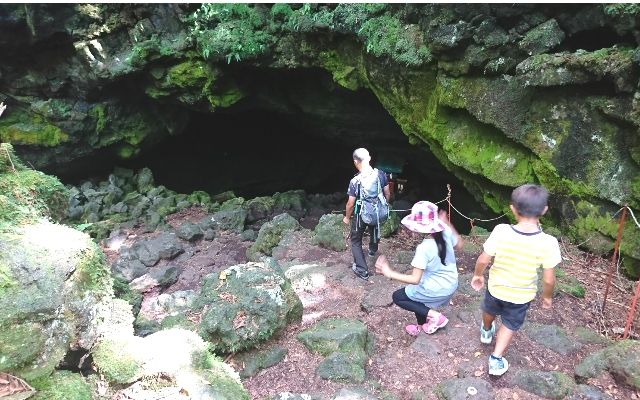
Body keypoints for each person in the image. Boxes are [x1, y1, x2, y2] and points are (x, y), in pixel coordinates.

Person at [471, 184, 561, 376]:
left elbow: (484, 259)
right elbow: (548, 280)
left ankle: (486, 330)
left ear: (512, 208)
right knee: (510, 324)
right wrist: (547, 297)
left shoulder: (501, 231)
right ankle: (495, 359)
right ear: (544, 210)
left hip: (496, 288)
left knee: (489, 309)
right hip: (521, 295)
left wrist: (478, 275)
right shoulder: (549, 243)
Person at [375, 200, 462, 335]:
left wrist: (389, 272)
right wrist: (447, 222)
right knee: (414, 292)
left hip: (438, 288)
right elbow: (460, 244)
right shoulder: (445, 231)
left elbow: (415, 279)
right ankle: (422, 325)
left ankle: (436, 317)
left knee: (399, 297)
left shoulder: (424, 248)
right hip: (451, 283)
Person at [343, 148, 391, 280]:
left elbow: (350, 204)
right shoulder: (381, 174)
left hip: (361, 214)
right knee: (374, 227)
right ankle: (372, 250)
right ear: (369, 158)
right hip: (376, 211)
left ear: (355, 162)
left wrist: (347, 217)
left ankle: (362, 270)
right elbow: (387, 193)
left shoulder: (355, 181)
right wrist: (383, 206)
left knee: (355, 240)